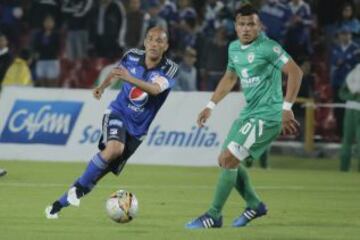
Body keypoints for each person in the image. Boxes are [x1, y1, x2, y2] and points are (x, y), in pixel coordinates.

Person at [185, 4, 302, 229]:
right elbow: (230, 78)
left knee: (230, 159)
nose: (246, 29)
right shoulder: (234, 49)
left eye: (251, 24)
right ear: (235, 26)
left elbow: (295, 72)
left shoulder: (268, 47)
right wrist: (210, 105)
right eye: (242, 24)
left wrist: (286, 108)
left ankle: (214, 215)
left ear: (259, 27)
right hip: (249, 113)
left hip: (267, 115)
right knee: (225, 160)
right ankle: (254, 204)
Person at [45, 26, 178, 219]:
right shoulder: (132, 56)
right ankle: (75, 191)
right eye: (150, 39)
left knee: (99, 174)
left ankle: (58, 205)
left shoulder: (170, 69)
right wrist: (102, 86)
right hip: (117, 112)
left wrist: (130, 78)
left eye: (159, 41)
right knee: (115, 148)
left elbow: (155, 90)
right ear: (145, 42)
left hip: (137, 131)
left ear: (166, 46)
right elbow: (117, 72)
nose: (153, 44)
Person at [339, 63, 360, 172]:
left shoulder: (353, 73)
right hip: (354, 110)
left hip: (350, 109)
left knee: (347, 141)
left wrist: (352, 96)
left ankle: (344, 169)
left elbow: (342, 93)